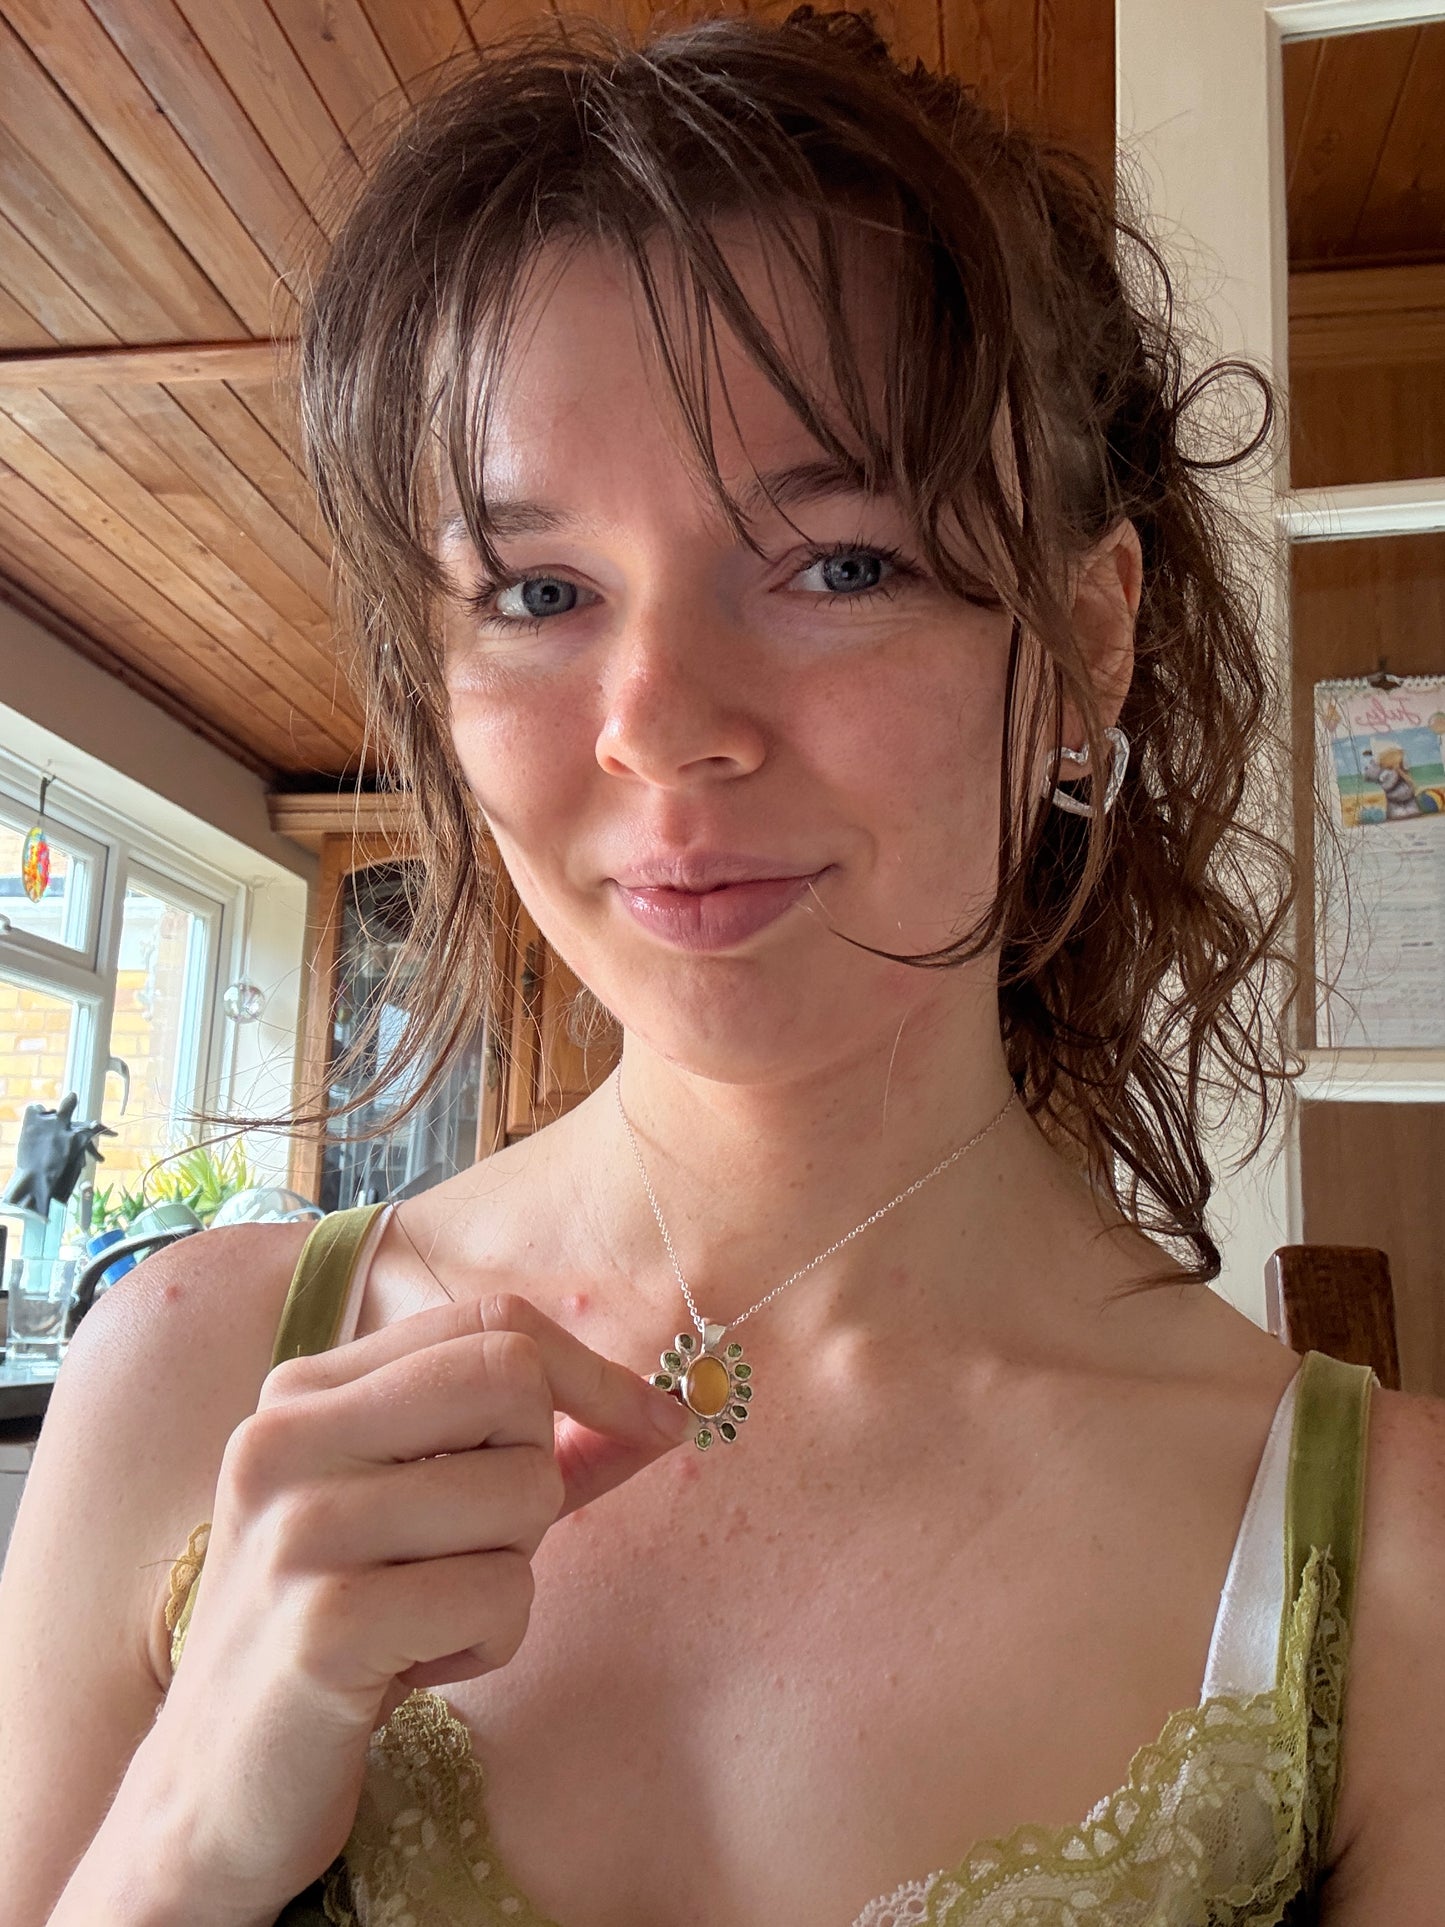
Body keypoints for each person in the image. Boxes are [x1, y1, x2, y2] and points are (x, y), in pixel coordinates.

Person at [3, 9, 1442, 1924]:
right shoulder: (183, 1387)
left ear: (1089, 640)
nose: (659, 726)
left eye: (837, 561)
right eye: (538, 591)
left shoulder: (1385, 1568)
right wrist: (186, 1832)